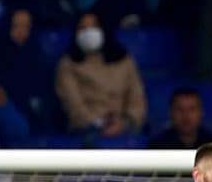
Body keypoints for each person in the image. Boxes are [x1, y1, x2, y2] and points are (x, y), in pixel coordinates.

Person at [55, 11, 147, 142]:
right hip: (86, 128)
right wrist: (100, 124)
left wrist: (125, 123)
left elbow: (137, 98)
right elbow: (74, 105)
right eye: (83, 28)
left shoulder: (124, 60)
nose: (89, 33)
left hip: (124, 126)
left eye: (94, 27)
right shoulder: (68, 65)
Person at [147, 87, 212, 150]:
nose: (186, 115)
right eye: (179, 109)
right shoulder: (158, 146)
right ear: (171, 112)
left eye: (192, 109)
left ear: (201, 112)